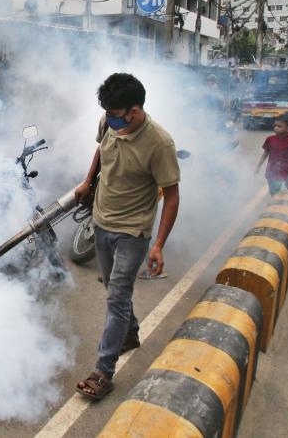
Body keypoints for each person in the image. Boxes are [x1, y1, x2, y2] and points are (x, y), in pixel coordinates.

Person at [72, 73, 181, 401]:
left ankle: (103, 371)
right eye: (108, 113)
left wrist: (158, 244)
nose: (111, 119)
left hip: (133, 232)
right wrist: (87, 181)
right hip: (102, 222)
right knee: (111, 287)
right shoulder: (109, 121)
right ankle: (130, 334)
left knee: (117, 297)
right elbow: (101, 151)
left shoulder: (159, 143)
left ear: (134, 111)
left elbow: (172, 197)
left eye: (117, 114)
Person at [253, 117, 288, 195]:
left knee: (279, 193)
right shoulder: (270, 139)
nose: (276, 128)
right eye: (275, 126)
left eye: (279, 126)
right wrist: (258, 167)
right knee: (273, 193)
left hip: (284, 173)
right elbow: (265, 154)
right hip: (271, 172)